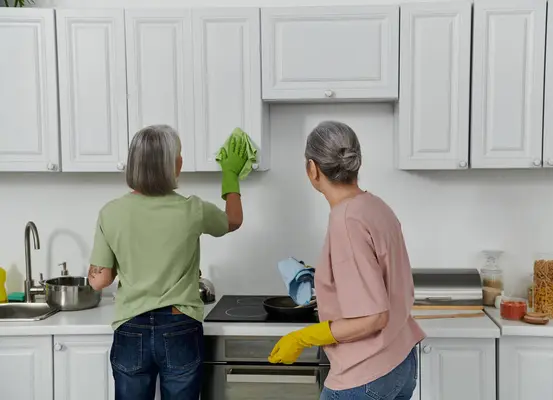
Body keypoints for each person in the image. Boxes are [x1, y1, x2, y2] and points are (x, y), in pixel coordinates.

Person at [86, 125, 247, 400]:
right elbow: (233, 220)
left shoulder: (111, 212)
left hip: (131, 325)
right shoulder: (192, 209)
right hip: (180, 324)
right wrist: (230, 176)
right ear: (175, 165)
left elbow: (99, 280)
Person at [269, 121, 426, 399]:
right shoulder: (375, 206)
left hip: (364, 374)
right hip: (400, 362)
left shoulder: (345, 220)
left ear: (312, 169)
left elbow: (374, 317)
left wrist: (303, 337)